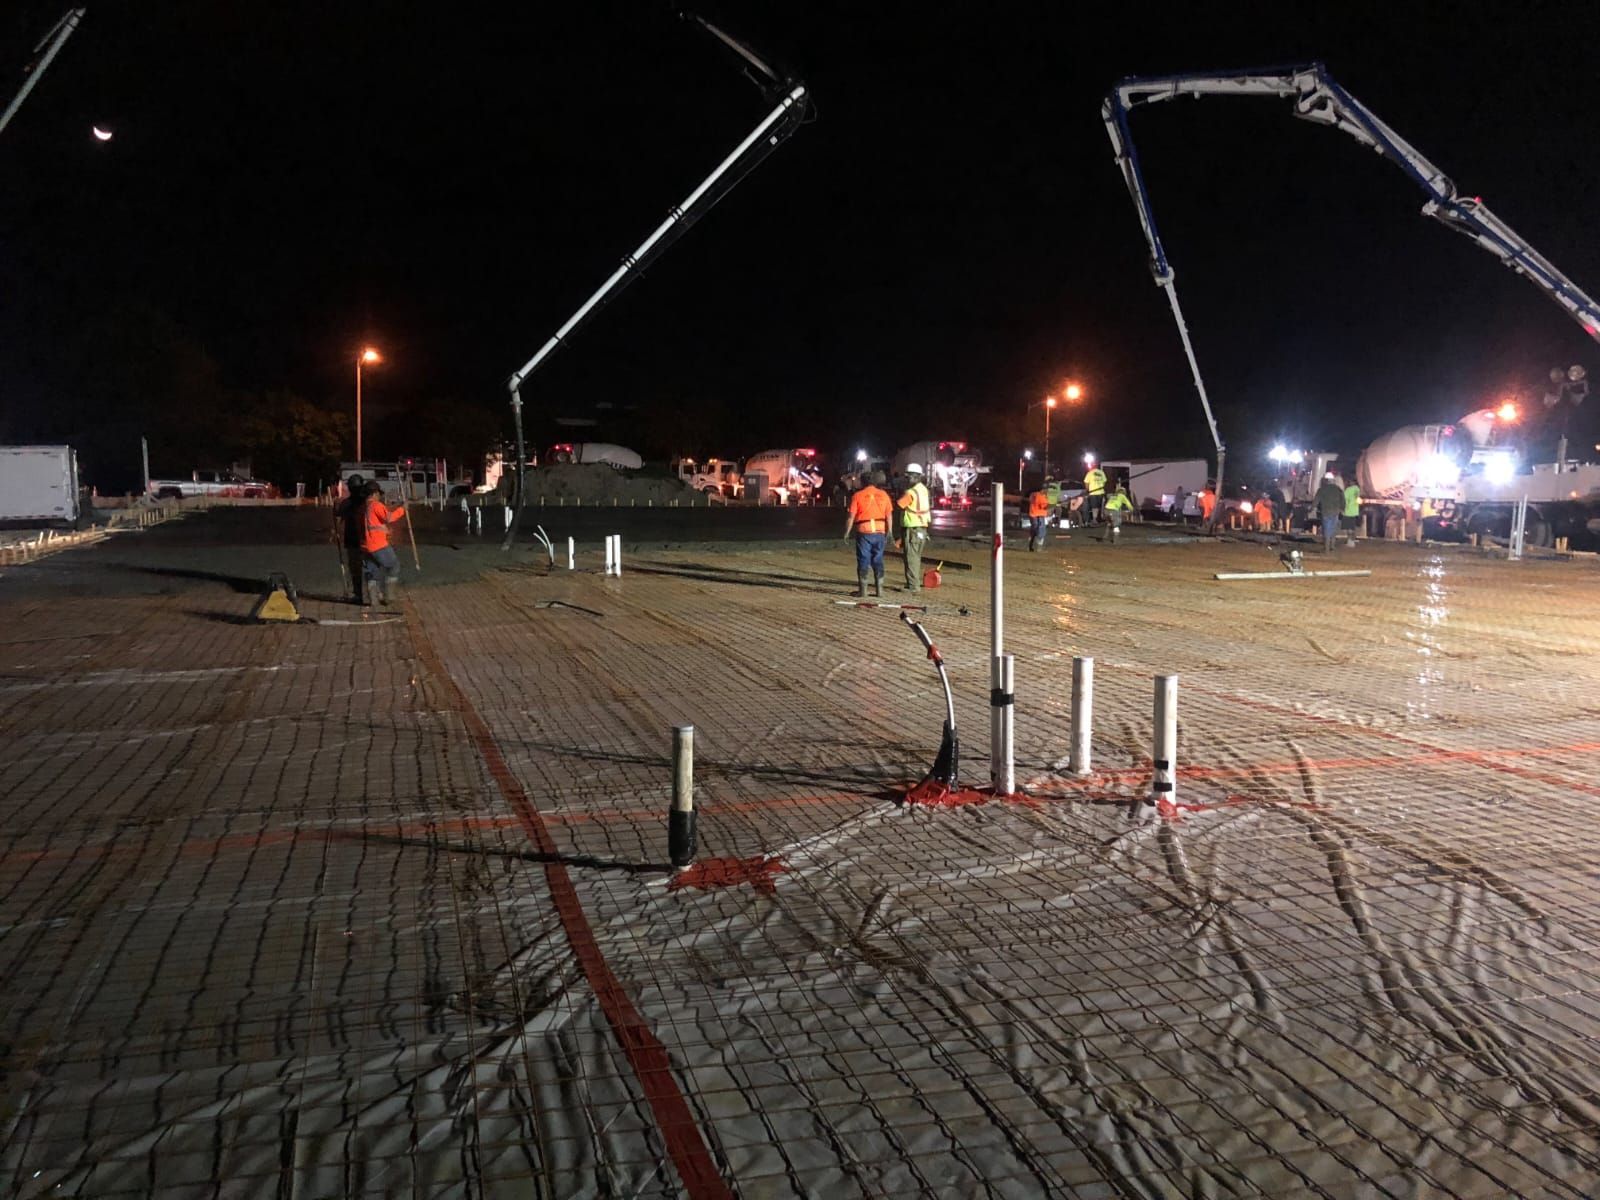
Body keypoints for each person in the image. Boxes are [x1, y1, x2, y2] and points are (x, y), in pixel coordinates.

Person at [843, 469, 893, 598]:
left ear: (863, 482)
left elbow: (851, 516)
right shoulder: (884, 495)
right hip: (880, 531)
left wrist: (847, 532)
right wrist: (890, 531)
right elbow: (889, 515)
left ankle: (863, 591)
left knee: (863, 559)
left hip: (864, 531)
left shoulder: (857, 496)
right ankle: (880, 590)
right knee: (878, 559)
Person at [362, 480, 409, 606]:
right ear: (374, 493)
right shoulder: (375, 505)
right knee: (394, 566)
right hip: (378, 544)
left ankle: (374, 599)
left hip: (367, 546)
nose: (379, 496)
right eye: (378, 493)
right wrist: (402, 510)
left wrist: (397, 506)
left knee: (372, 572)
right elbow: (388, 517)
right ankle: (389, 596)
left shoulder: (365, 506)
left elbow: (382, 516)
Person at [896, 463, 932, 592]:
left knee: (911, 557)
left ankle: (913, 586)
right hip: (921, 528)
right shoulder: (923, 489)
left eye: (908, 477)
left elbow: (899, 505)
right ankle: (913, 583)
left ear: (915, 477)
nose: (906, 479)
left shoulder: (911, 492)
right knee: (915, 556)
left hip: (913, 529)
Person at [336, 473, 368, 604]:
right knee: (366, 568)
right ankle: (366, 594)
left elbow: (338, 519)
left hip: (356, 541)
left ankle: (359, 594)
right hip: (362, 540)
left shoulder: (347, 503)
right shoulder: (365, 502)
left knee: (357, 568)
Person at [1314, 471, 1345, 553]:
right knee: (1333, 529)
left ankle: (1327, 548)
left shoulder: (1322, 489)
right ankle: (1332, 546)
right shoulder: (1338, 489)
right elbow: (1343, 500)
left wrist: (1311, 508)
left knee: (1327, 529)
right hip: (1335, 512)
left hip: (1326, 512)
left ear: (1326, 480)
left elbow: (1316, 500)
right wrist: (1342, 509)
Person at [1027, 485, 1052, 551]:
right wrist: (1051, 506)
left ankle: (1031, 546)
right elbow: (1044, 507)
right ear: (1044, 490)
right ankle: (1038, 546)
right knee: (1040, 530)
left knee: (1034, 530)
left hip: (1034, 514)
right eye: (1047, 491)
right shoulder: (1041, 497)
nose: (1048, 492)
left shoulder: (1034, 494)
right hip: (1038, 514)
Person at [1342, 478, 1362, 546]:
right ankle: (1352, 540)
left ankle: (1350, 541)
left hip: (1348, 511)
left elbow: (1344, 500)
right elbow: (1358, 497)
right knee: (1352, 527)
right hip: (1354, 511)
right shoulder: (1357, 488)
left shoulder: (1348, 490)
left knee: (1348, 528)